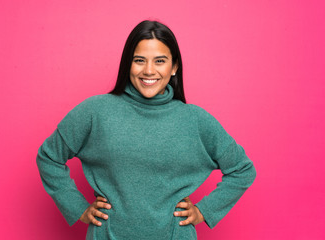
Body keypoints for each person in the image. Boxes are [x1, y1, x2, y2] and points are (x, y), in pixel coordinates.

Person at [36, 20, 256, 239]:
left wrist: (203, 211)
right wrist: (77, 207)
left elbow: (242, 170)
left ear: (174, 66)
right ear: (127, 64)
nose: (149, 70)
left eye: (160, 61)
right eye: (139, 60)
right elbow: (49, 156)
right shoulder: (95, 111)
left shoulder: (196, 120)